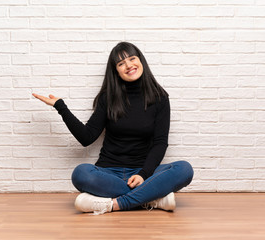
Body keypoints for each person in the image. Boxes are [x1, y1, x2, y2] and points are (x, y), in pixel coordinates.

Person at [33, 41, 193, 215]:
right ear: (116, 70)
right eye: (121, 63)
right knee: (81, 173)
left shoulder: (160, 98)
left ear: (141, 61)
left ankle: (115, 204)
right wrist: (60, 107)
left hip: (144, 172)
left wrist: (143, 175)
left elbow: (160, 143)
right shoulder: (107, 98)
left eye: (132, 59)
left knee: (184, 169)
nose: (129, 65)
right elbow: (86, 137)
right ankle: (152, 198)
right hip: (109, 173)